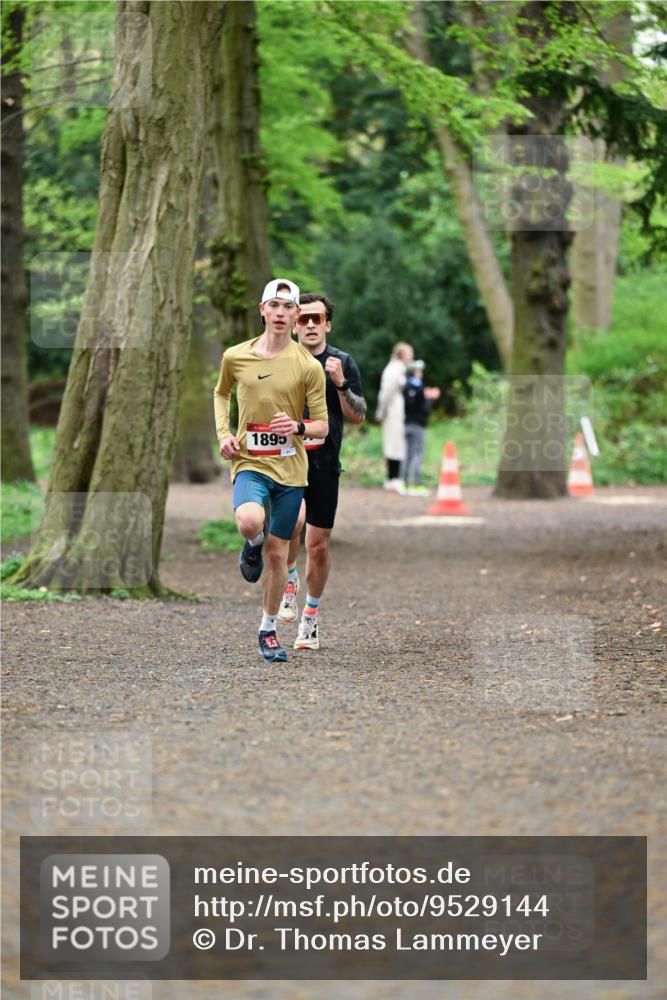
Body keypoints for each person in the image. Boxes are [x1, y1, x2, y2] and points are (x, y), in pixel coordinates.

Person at [213, 278, 329, 664]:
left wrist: (296, 427)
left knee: (280, 555)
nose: (280, 313)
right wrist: (225, 434)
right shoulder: (235, 356)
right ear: (262, 310)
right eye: (274, 306)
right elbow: (221, 393)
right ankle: (250, 545)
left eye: (288, 307)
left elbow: (322, 427)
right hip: (249, 462)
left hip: (291, 471)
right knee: (249, 521)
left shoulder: (307, 366)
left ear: (296, 315)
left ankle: (268, 631)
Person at [277, 293, 366, 651]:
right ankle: (289, 583)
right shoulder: (280, 360)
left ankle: (310, 619)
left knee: (317, 546)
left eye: (318, 319)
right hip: (285, 460)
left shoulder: (342, 362)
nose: (311, 325)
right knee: (291, 525)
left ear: (327, 324)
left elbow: (359, 415)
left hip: (325, 465)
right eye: (304, 319)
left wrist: (341, 382)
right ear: (295, 323)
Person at [375, 341, 413, 493]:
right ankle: (393, 479)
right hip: (392, 411)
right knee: (393, 444)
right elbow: (386, 393)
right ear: (402, 355)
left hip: (397, 411)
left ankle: (395, 478)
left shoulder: (400, 369)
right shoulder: (393, 370)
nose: (411, 358)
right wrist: (381, 412)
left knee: (397, 444)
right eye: (410, 354)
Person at [402, 359, 441, 496]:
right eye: (419, 371)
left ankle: (405, 483)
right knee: (418, 454)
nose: (421, 374)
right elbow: (424, 409)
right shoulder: (419, 387)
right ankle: (416, 483)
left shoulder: (406, 386)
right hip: (418, 425)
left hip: (406, 424)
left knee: (407, 454)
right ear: (415, 373)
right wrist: (431, 398)